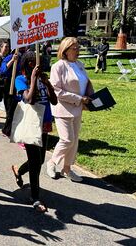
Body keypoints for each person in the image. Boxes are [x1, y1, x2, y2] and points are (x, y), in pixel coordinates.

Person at [11, 51, 57, 212]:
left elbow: (54, 101)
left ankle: (19, 170)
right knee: (36, 163)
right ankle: (35, 198)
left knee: (41, 159)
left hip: (44, 124)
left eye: (36, 63)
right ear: (25, 66)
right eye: (30, 64)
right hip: (31, 125)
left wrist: (48, 83)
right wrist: (33, 79)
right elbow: (29, 99)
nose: (34, 67)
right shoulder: (20, 80)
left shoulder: (43, 80)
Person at [46, 37, 94, 182]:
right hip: (63, 108)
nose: (78, 51)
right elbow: (56, 91)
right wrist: (79, 98)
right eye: (75, 49)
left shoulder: (79, 64)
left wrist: (92, 97)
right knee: (67, 139)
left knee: (74, 140)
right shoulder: (58, 66)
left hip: (78, 108)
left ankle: (67, 169)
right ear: (65, 50)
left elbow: (86, 82)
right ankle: (52, 162)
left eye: (79, 48)